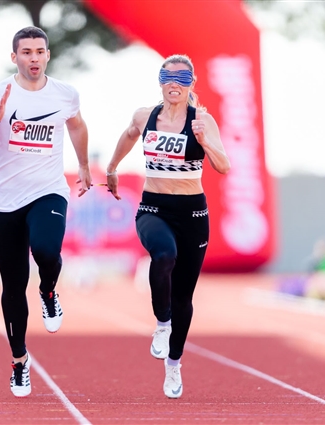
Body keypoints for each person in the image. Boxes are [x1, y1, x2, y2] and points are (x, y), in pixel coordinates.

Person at [0, 26, 91, 398]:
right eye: (26, 52)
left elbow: (78, 126)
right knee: (13, 286)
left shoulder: (65, 94)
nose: (33, 58)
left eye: (39, 52)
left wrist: (83, 165)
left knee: (48, 251)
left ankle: (49, 291)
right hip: (5, 202)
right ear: (14, 57)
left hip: (48, 192)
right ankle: (19, 362)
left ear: (48, 55)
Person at [105, 54, 230, 398]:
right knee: (163, 255)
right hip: (153, 206)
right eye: (168, 77)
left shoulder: (202, 121)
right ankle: (162, 324)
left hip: (191, 212)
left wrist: (205, 143)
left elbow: (224, 165)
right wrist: (113, 166)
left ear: (191, 83)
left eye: (182, 78)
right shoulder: (145, 116)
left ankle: (173, 365)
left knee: (184, 297)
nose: (174, 83)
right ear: (160, 81)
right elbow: (130, 134)